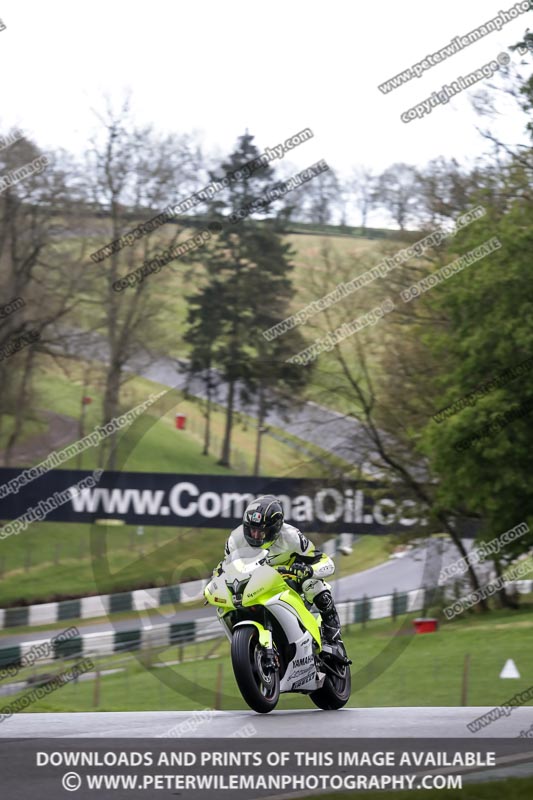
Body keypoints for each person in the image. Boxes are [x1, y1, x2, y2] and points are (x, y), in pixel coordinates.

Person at [213, 494, 345, 648]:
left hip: (289, 581)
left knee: (313, 584)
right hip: (255, 586)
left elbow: (325, 561)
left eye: (261, 531)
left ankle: (333, 634)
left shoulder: (292, 537)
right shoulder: (235, 540)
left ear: (275, 528)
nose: (255, 536)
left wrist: (308, 570)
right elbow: (226, 568)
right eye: (250, 530)